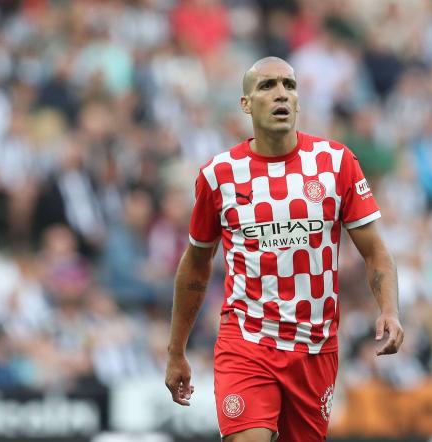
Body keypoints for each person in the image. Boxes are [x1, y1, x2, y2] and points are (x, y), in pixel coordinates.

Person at [165, 57, 403, 442]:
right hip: (247, 341)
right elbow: (194, 266)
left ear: (297, 101)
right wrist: (176, 350)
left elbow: (376, 251)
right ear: (246, 104)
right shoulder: (219, 175)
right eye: (267, 86)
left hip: (314, 347)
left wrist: (390, 311)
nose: (280, 94)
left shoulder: (335, 163)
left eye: (289, 86)